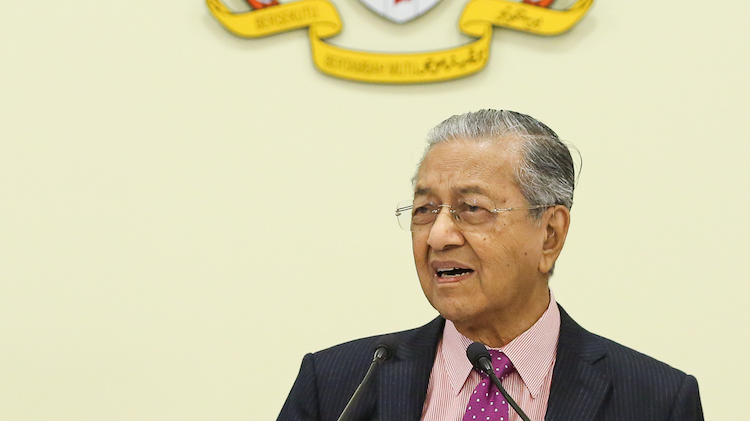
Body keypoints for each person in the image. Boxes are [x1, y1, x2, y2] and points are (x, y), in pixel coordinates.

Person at [276, 110, 704, 420]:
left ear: (550, 234)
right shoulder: (338, 384)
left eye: (473, 208)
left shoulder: (655, 400)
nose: (439, 235)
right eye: (425, 209)